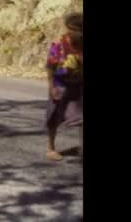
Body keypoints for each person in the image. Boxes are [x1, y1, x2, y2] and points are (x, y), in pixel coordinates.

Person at [45, 12, 83, 161]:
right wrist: (51, 86)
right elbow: (50, 67)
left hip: (78, 84)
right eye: (68, 29)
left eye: (72, 29)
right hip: (60, 84)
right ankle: (50, 148)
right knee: (54, 116)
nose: (69, 32)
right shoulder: (58, 44)